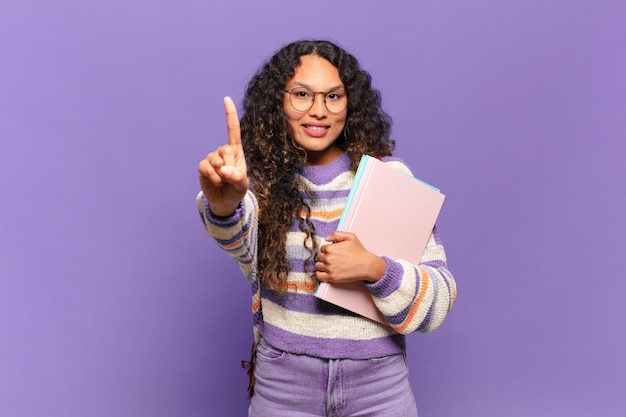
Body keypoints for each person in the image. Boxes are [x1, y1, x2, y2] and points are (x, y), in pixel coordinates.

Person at [197, 39, 456, 417]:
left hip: (378, 389)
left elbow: (439, 300)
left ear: (350, 105)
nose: (318, 111)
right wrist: (224, 204)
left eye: (333, 96)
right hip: (283, 387)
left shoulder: (386, 179)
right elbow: (238, 240)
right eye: (302, 94)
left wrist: (374, 269)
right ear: (278, 101)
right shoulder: (258, 181)